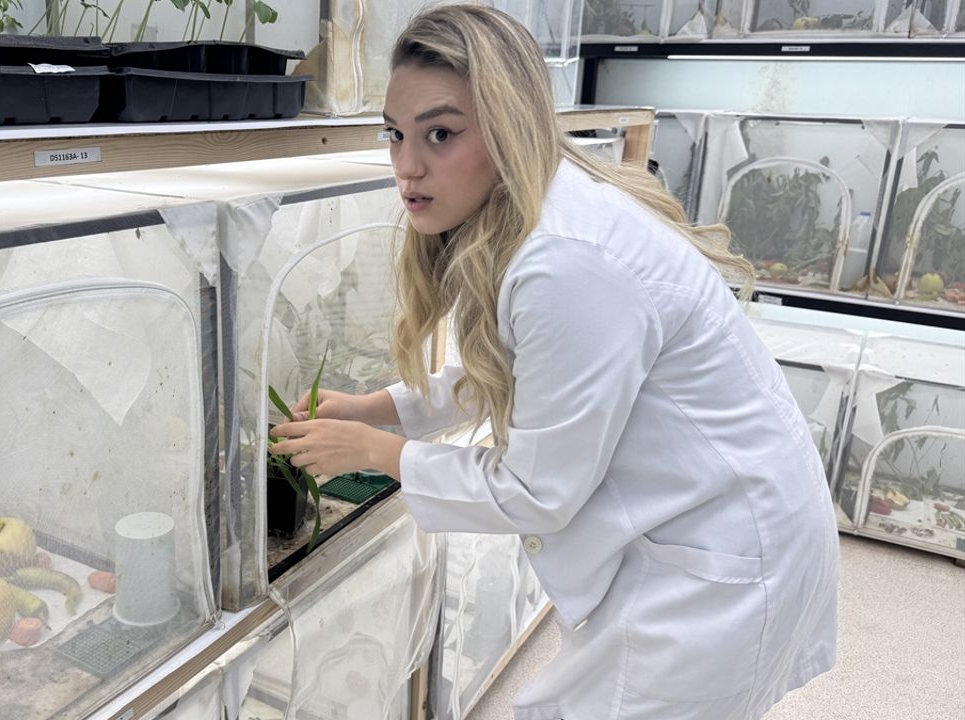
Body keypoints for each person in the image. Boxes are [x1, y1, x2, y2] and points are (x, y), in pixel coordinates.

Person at [269, 5, 840, 720]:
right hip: (716, 522)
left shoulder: (564, 263)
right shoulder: (534, 212)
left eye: (441, 134)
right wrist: (376, 408)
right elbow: (523, 373)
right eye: (395, 134)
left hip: (723, 559)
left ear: (507, 126)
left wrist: (377, 451)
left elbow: (537, 491)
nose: (406, 166)